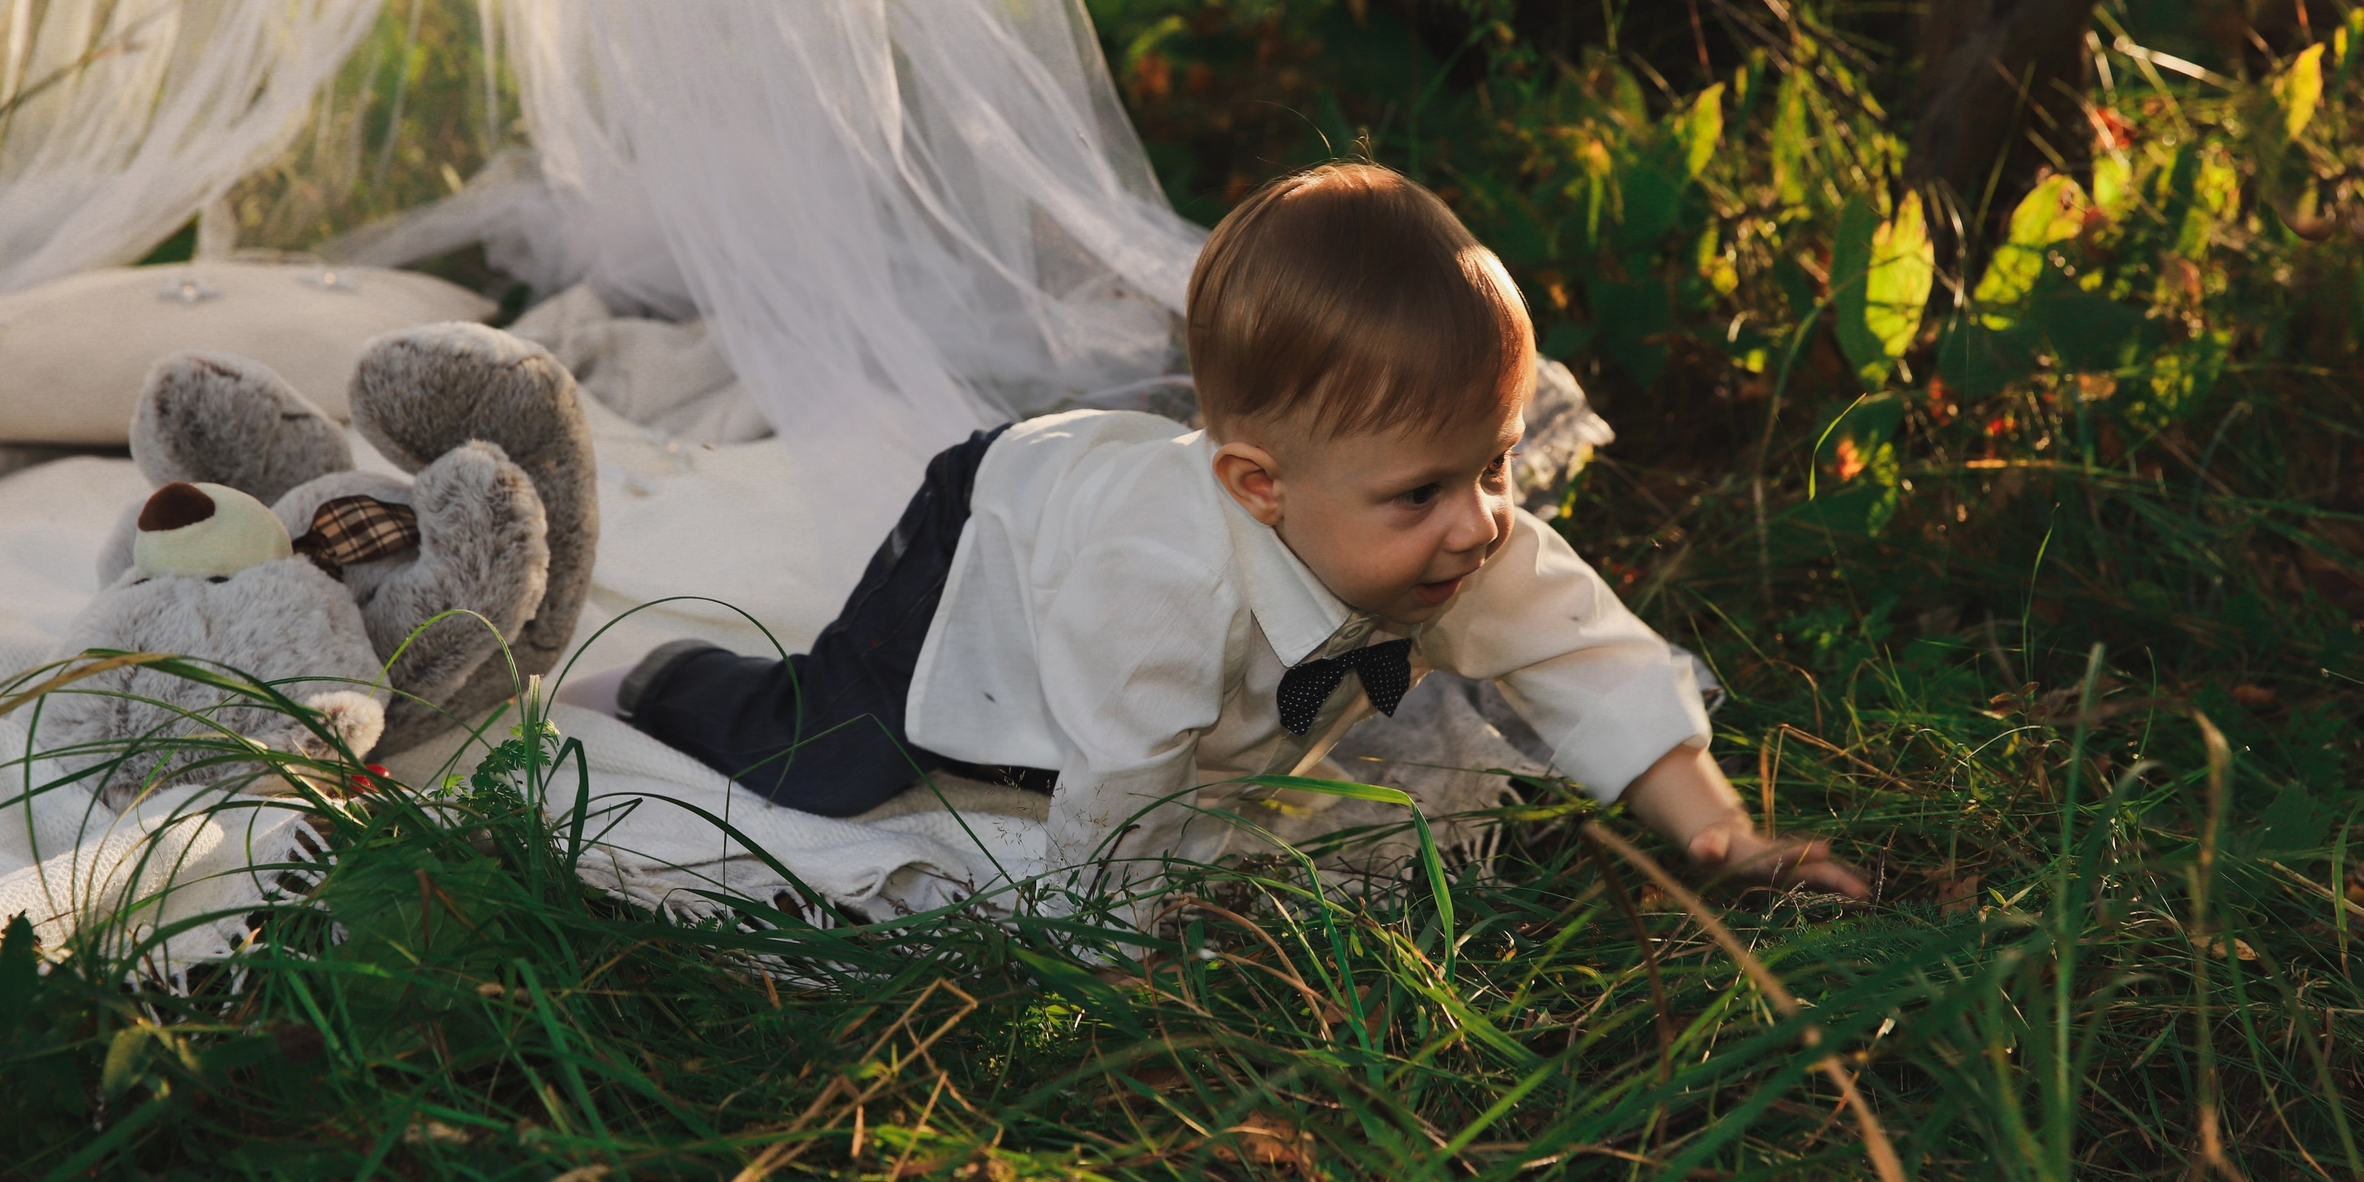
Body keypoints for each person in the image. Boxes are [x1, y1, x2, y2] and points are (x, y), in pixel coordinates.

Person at [558, 161, 1865, 906]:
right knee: (828, 750)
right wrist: (1123, 963)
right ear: (1258, 487)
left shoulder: (1469, 534)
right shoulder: (1161, 582)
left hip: (1125, 551)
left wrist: (1723, 835)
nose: (1480, 522)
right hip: (1000, 530)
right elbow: (1123, 796)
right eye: (1422, 494)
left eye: (1495, 464)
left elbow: (1593, 659)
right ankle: (672, 678)